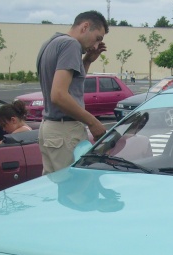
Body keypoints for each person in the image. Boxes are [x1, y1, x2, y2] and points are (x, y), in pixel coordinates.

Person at [36, 10, 109, 174]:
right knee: (76, 192)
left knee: (55, 189)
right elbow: (58, 95)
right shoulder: (71, 45)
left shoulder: (50, 43)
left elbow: (69, 84)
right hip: (65, 131)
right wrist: (93, 122)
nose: (96, 45)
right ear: (85, 26)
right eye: (98, 38)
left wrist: (87, 60)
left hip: (48, 129)